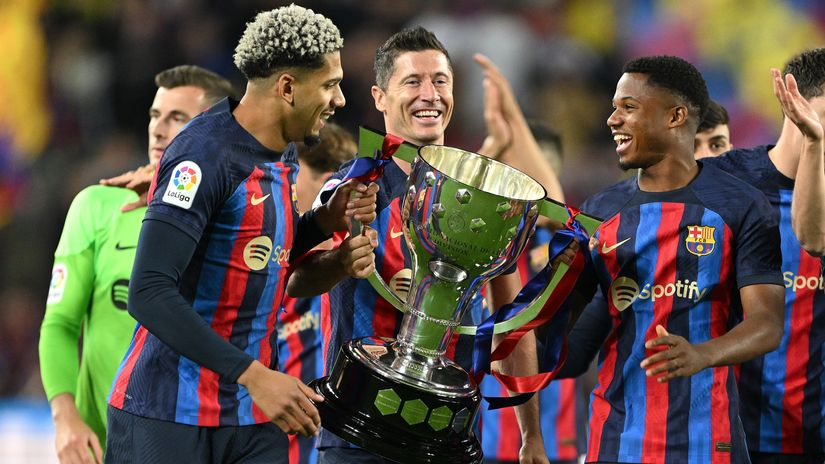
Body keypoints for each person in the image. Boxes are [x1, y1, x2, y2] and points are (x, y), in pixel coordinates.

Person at [105, 6, 378, 463]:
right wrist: (254, 375)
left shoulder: (285, 151)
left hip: (250, 418)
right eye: (329, 84)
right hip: (168, 413)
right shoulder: (202, 157)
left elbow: (253, 251)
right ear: (287, 87)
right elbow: (149, 292)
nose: (340, 100)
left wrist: (322, 222)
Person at [287, 27, 565, 464]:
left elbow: (511, 326)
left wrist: (530, 435)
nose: (429, 94)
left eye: (440, 80)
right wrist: (342, 262)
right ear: (379, 96)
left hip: (447, 438)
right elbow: (295, 281)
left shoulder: (486, 199)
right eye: (412, 82)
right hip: (360, 433)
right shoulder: (351, 186)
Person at [557, 55, 784, 463]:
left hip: (707, 440)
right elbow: (570, 350)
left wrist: (702, 354)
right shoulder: (598, 211)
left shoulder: (740, 205)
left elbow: (767, 324)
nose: (612, 119)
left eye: (628, 107)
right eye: (614, 107)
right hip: (615, 439)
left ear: (676, 116)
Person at [38, 65, 233, 464]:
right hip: (103, 444)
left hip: (194, 442)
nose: (159, 129)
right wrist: (65, 418)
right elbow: (59, 324)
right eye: (154, 116)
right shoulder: (97, 205)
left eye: (177, 118)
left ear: (214, 131)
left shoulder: (237, 217)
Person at [701, 48, 825, 464]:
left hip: (814, 438)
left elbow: (814, 238)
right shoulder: (724, 181)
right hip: (728, 434)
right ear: (794, 101)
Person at [479, 122, 586, 464]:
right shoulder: (483, 240)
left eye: (546, 164)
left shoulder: (568, 243)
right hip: (492, 430)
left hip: (559, 430)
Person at [279, 123, 357, 464]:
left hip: (330, 441)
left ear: (329, 183)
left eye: (291, 177)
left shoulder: (354, 254)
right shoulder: (270, 253)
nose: (283, 190)